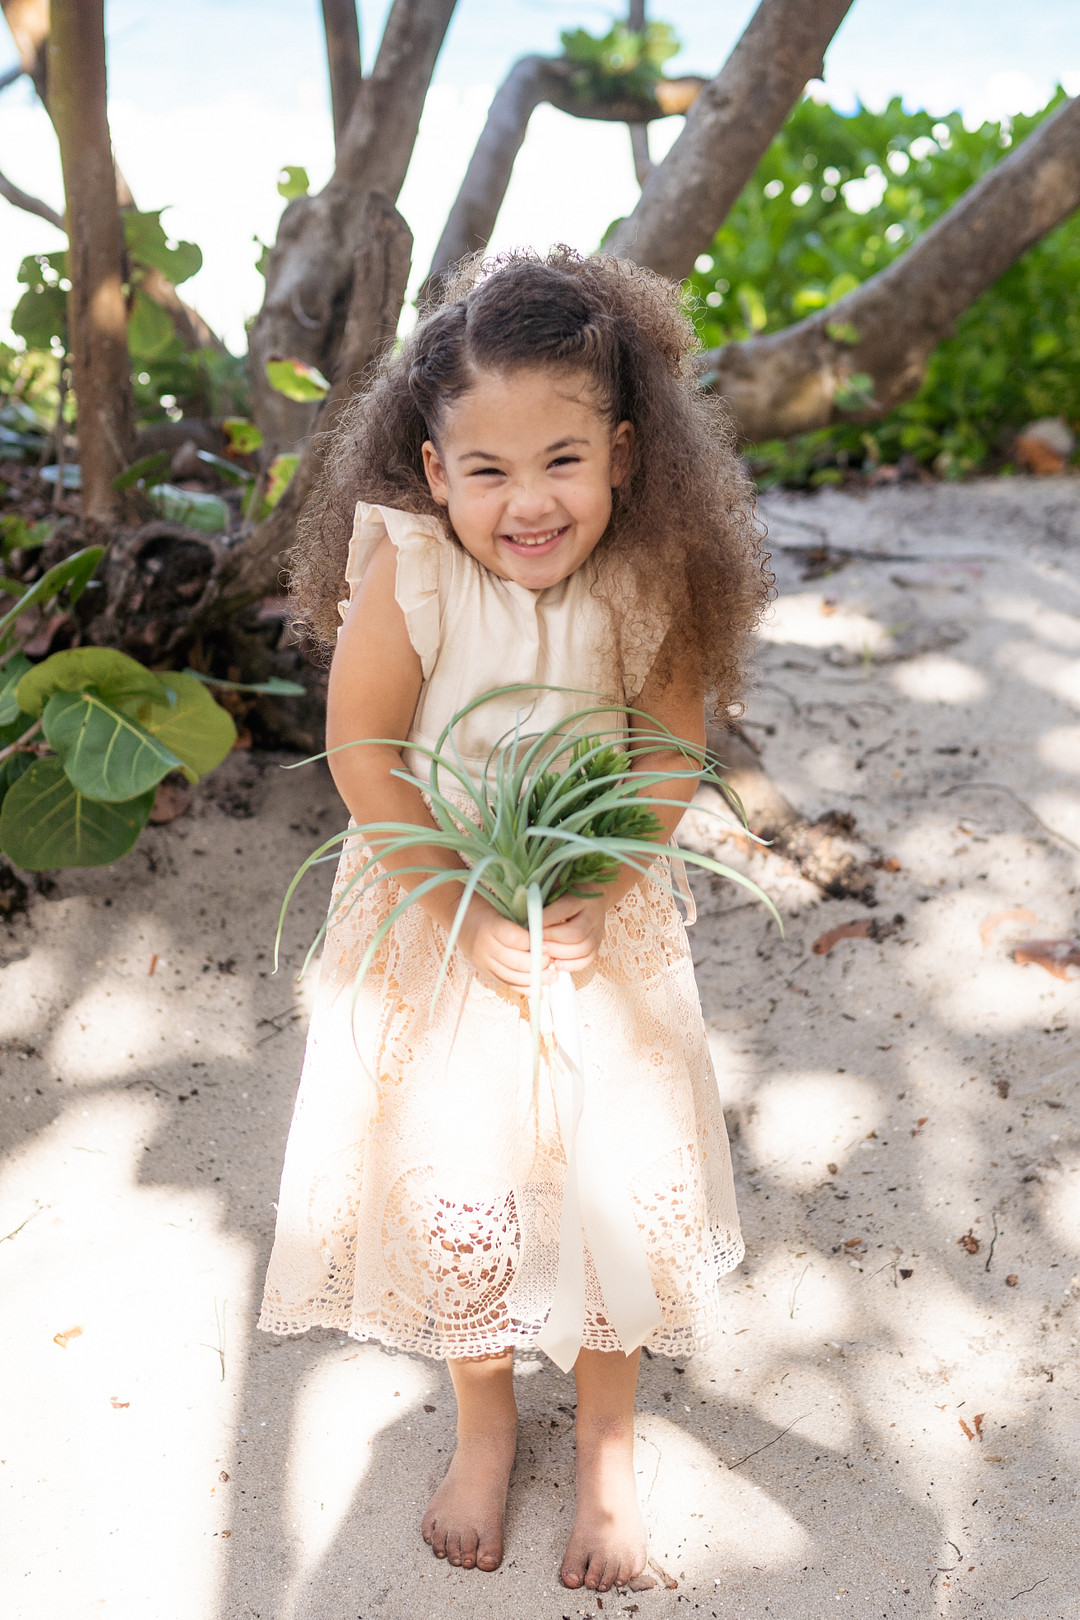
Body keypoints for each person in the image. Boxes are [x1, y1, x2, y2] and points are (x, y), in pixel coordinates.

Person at [260, 247, 771, 1593]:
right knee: (463, 1191)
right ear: (434, 474)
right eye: (485, 471)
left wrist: (601, 881)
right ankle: (486, 1422)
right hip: (440, 920)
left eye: (562, 461)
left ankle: (607, 1443)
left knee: (607, 1186)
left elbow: (667, 749)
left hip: (595, 928)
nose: (527, 501)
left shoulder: (646, 579)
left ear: (621, 454)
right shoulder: (411, 572)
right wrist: (457, 900)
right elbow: (363, 746)